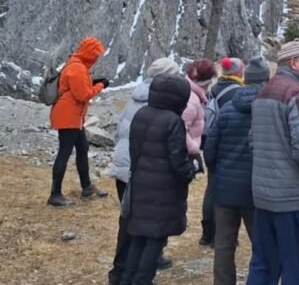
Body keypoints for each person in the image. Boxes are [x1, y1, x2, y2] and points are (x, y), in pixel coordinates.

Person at [247, 40, 299, 285]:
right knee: (297, 268)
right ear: (293, 62)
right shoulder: (298, 94)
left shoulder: (264, 91)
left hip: (264, 197)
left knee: (263, 265)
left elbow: (253, 142)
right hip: (294, 200)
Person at [108, 58, 180, 284]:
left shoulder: (136, 94)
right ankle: (128, 273)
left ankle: (121, 272)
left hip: (124, 167)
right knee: (137, 227)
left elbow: (120, 129)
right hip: (140, 171)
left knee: (128, 223)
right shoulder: (161, 100)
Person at [123, 73, 197, 284]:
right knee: (155, 238)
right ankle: (143, 280)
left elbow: (134, 150)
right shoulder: (173, 121)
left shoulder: (141, 114)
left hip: (140, 184)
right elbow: (178, 161)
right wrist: (190, 171)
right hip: (164, 189)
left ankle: (128, 278)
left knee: (138, 235)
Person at [204, 56, 268, 285]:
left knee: (223, 245)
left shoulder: (228, 108)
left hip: (224, 189)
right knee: (261, 244)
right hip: (256, 190)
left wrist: (219, 172)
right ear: (266, 80)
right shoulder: (269, 111)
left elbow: (210, 150)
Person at [48, 36, 109, 206]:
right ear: (89, 53)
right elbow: (83, 95)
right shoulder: (77, 68)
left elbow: (79, 87)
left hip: (73, 116)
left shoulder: (76, 65)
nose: (97, 58)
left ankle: (87, 187)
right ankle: (55, 195)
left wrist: (94, 82)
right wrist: (101, 85)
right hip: (68, 117)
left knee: (82, 148)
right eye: (95, 55)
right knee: (64, 152)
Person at [200, 57, 243, 247]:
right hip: (229, 146)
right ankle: (221, 235)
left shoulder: (214, 89)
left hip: (210, 143)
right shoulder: (237, 93)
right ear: (237, 72)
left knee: (211, 189)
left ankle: (206, 234)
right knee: (226, 191)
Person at [182, 59, 211, 160]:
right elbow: (180, 128)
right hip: (185, 153)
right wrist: (193, 147)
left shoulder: (192, 93)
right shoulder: (192, 100)